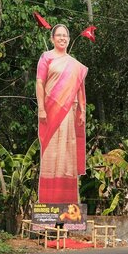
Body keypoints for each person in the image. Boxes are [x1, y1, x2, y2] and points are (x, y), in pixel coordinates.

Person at [36, 24, 88, 204]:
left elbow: (79, 87)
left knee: (67, 153)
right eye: (58, 35)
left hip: (69, 113)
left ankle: (67, 202)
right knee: (51, 153)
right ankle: (49, 201)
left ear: (69, 39)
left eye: (65, 35)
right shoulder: (46, 58)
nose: (62, 38)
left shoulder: (74, 64)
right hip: (50, 112)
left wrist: (82, 110)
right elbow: (40, 83)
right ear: (52, 39)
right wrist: (41, 108)